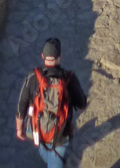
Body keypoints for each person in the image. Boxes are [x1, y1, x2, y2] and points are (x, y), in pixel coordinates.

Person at [15, 37, 87, 166]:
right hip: (60, 134)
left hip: (38, 128)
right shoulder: (68, 77)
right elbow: (82, 103)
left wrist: (19, 129)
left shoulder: (32, 76)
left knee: (44, 150)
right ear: (59, 56)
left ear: (42, 56)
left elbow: (22, 104)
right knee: (55, 160)